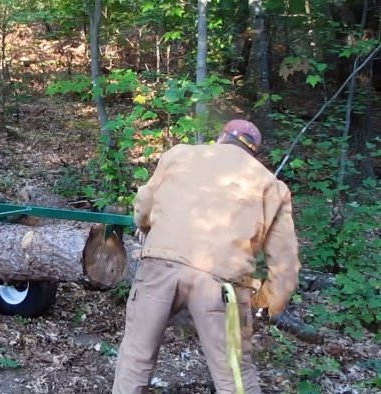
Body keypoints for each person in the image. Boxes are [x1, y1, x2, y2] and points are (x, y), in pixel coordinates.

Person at [112, 119, 301, 394]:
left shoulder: (179, 155)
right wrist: (266, 303)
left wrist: (146, 228)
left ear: (221, 137)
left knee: (135, 359)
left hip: (159, 268)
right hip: (221, 283)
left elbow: (144, 202)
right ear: (254, 152)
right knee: (235, 376)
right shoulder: (270, 185)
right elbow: (285, 264)